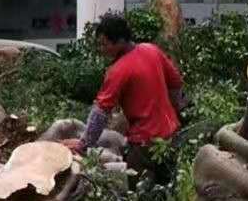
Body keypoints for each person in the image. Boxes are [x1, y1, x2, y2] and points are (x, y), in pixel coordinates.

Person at [74, 14, 184, 181]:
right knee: (169, 191)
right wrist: (173, 111)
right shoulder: (152, 49)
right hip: (171, 137)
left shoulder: (118, 70)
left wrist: (83, 144)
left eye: (104, 44)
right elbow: (176, 83)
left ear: (119, 41)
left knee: (137, 193)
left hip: (144, 144)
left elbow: (100, 112)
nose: (101, 49)